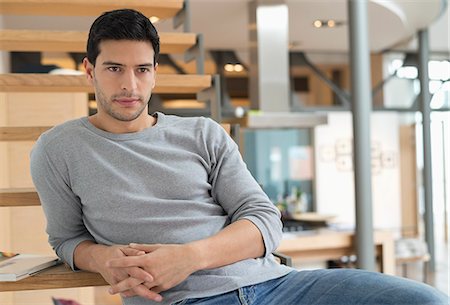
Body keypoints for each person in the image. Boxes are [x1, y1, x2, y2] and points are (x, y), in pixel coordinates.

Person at [30, 8, 447, 305]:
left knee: (424, 299)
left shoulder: (202, 132)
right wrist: (101, 257)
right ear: (89, 69)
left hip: (278, 285)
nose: (130, 85)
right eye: (114, 69)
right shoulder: (58, 148)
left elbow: (264, 220)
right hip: (180, 301)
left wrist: (188, 257)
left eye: (142, 70)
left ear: (155, 71)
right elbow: (67, 239)